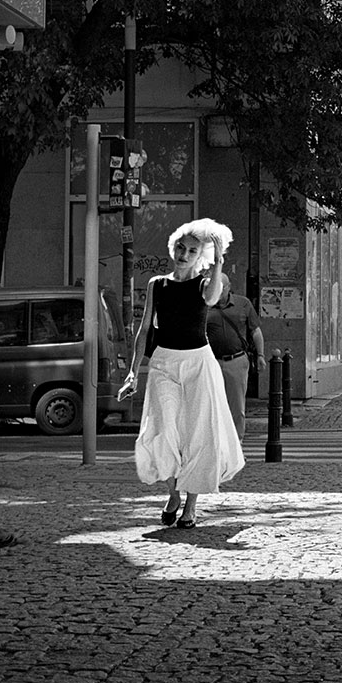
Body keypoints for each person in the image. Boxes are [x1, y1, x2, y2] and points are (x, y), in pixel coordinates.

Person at [119, 219, 244, 528]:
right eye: (180, 248)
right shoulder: (157, 284)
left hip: (199, 364)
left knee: (198, 434)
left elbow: (212, 298)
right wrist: (132, 372)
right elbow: (145, 329)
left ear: (200, 256)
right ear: (172, 248)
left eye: (191, 251)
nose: (183, 254)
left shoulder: (203, 284)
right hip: (163, 363)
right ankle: (173, 493)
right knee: (163, 430)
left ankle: (190, 506)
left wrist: (218, 262)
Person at [205, 272, 265, 439]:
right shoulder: (204, 305)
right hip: (211, 361)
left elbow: (255, 330)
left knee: (236, 405)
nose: (217, 292)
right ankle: (215, 441)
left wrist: (260, 355)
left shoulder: (243, 303)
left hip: (236, 360)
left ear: (229, 287)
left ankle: (237, 441)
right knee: (211, 404)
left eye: (220, 288)